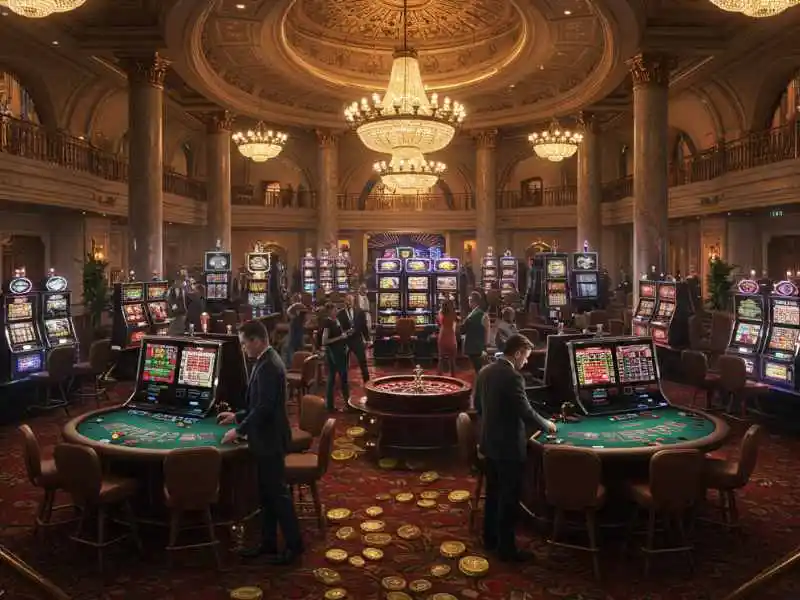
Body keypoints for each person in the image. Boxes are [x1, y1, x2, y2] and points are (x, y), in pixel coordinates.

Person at [217, 320, 303, 564]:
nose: (244, 349)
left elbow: (265, 408)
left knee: (277, 495)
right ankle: (268, 543)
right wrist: (237, 416)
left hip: (270, 439)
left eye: (245, 344)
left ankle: (295, 546)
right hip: (266, 437)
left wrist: (239, 430)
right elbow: (259, 404)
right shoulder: (266, 360)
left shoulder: (268, 366)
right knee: (266, 495)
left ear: (257, 340)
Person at [474, 334, 557, 562]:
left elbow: (477, 408)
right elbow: (525, 412)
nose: (527, 362)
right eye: (526, 357)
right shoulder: (513, 377)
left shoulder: (485, 371)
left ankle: (489, 539)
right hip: (508, 447)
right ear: (518, 352)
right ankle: (507, 549)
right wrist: (546, 424)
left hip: (488, 442)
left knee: (493, 494)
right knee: (509, 499)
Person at [320, 302, 350, 411]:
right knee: (342, 378)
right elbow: (325, 341)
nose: (336, 311)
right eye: (334, 310)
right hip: (334, 353)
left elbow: (340, 334)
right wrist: (340, 337)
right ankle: (348, 404)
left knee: (333, 378)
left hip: (340, 351)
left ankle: (330, 406)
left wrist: (344, 338)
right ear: (330, 311)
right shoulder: (328, 323)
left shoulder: (336, 320)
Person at [337, 294, 370, 383]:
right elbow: (338, 328)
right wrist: (345, 332)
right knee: (343, 363)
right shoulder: (340, 314)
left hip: (357, 339)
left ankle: (367, 382)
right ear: (344, 302)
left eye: (350, 300)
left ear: (353, 301)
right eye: (347, 300)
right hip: (345, 340)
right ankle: (344, 383)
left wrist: (367, 339)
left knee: (362, 362)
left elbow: (364, 327)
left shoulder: (360, 312)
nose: (348, 302)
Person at [461, 291, 490, 374]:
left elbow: (463, 330)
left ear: (472, 301)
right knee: (478, 369)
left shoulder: (471, 315)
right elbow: (487, 332)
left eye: (469, 300)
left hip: (474, 347)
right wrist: (486, 345)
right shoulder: (483, 315)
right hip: (479, 346)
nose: (468, 302)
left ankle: (479, 385)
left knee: (479, 370)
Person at [282, 294, 307, 366]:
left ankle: (290, 365)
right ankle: (298, 364)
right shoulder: (302, 306)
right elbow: (306, 319)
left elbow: (288, 311)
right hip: (299, 334)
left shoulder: (296, 305)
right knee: (296, 345)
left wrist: (292, 317)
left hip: (294, 331)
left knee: (289, 346)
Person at [437, 298, 458, 375]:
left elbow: (439, 323)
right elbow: (456, 322)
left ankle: (440, 376)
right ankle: (453, 375)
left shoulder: (440, 312)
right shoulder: (453, 313)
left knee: (441, 358)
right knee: (452, 359)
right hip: (451, 335)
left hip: (442, 335)